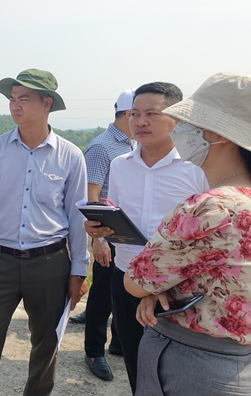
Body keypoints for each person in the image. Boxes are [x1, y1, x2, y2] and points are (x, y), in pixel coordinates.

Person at [0, 68, 89, 396]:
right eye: (12, 99)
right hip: (0, 261)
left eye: (24, 99)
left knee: (47, 342)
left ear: (46, 103)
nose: (15, 105)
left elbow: (77, 219)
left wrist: (79, 269)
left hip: (50, 262)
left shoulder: (70, 156)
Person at [124, 73, 251, 396]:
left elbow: (136, 282)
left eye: (190, 124)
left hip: (194, 361)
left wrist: (154, 287)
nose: (182, 131)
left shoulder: (210, 208)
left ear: (216, 135)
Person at [84, 82, 208, 393]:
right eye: (134, 113)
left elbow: (205, 237)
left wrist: (160, 283)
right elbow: (120, 216)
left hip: (178, 291)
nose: (140, 121)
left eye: (151, 113)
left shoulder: (197, 168)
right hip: (125, 278)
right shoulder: (119, 165)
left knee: (175, 375)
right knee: (136, 368)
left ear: (177, 118)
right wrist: (99, 232)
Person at [80, 89, 135, 381]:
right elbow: (90, 199)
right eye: (139, 114)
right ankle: (93, 351)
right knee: (102, 296)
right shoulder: (102, 148)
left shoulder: (132, 144)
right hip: (107, 236)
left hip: (127, 235)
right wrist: (98, 240)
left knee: (123, 293)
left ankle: (117, 343)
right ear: (128, 114)